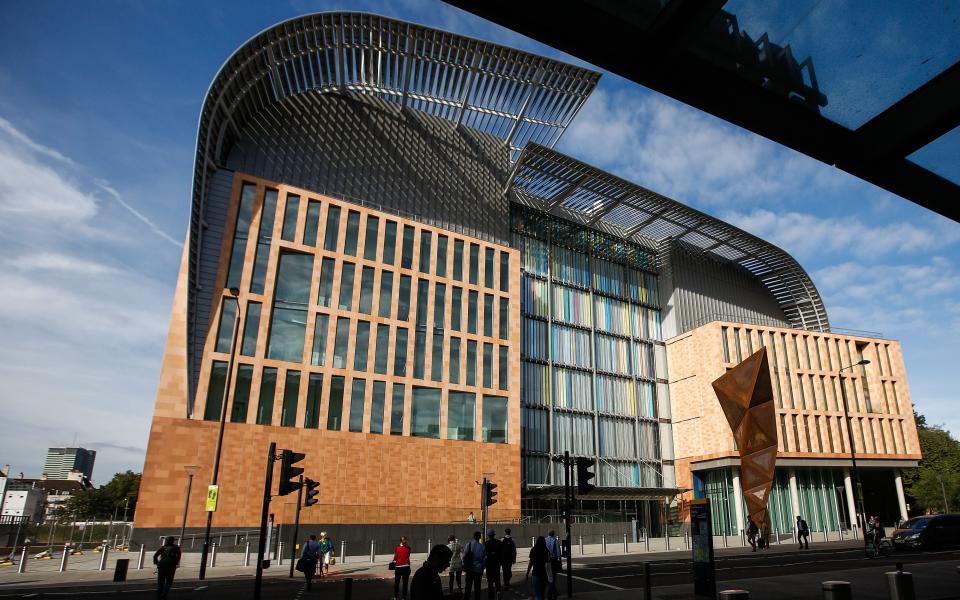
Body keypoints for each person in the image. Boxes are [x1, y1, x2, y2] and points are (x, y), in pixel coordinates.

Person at [462, 531, 486, 600]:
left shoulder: (468, 545)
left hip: (470, 569)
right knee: (477, 587)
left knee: (468, 586)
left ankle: (466, 598)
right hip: (478, 569)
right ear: (480, 537)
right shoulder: (482, 547)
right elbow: (484, 559)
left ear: (473, 536)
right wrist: (483, 567)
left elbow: (464, 556)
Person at [484, 528, 502, 600]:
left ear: (488, 535)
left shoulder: (486, 544)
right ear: (494, 535)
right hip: (497, 563)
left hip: (489, 564)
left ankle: (491, 596)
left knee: (490, 581)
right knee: (497, 579)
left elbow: (485, 554)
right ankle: (498, 592)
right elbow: (501, 553)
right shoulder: (499, 543)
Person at [393, 536, 413, 600]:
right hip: (406, 567)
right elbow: (408, 556)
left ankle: (396, 597)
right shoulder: (409, 548)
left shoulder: (397, 548)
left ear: (400, 541)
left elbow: (395, 558)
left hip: (398, 567)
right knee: (405, 583)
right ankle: (404, 597)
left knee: (397, 583)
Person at [544, 530, 562, 600]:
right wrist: (559, 560)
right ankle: (553, 592)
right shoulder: (555, 540)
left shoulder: (545, 540)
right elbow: (558, 551)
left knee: (548, 576)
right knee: (553, 577)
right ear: (553, 534)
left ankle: (552, 592)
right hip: (553, 560)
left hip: (546, 560)